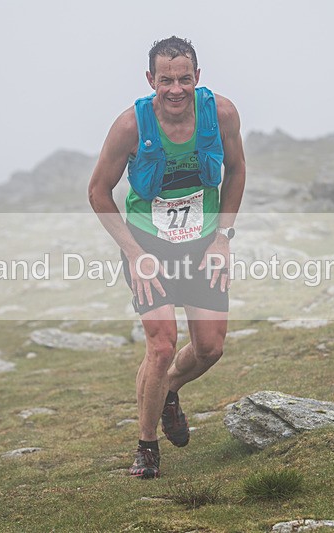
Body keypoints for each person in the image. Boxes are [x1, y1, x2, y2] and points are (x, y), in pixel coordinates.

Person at [88, 36, 246, 479]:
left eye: (183, 79)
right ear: (150, 80)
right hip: (148, 245)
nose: (175, 89)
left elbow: (236, 170)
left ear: (197, 78)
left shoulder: (222, 115)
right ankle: (146, 447)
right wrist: (135, 253)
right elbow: (98, 192)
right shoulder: (130, 127)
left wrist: (223, 239)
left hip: (203, 243)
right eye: (165, 80)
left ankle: (170, 389)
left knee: (210, 348)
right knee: (161, 345)